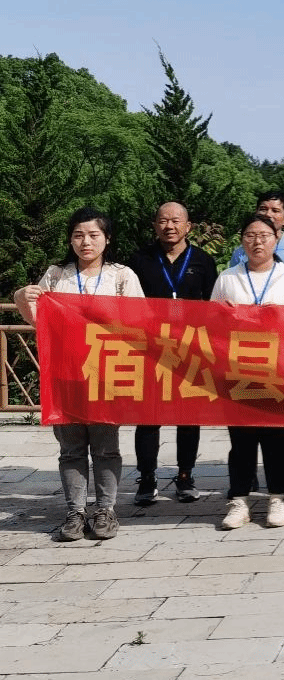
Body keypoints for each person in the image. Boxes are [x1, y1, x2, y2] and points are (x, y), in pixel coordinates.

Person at [14, 207, 143, 542]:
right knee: (71, 449)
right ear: (70, 240)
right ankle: (75, 512)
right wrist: (21, 298)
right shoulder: (57, 275)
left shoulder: (122, 277)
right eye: (78, 235)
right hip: (65, 373)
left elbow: (141, 322)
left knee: (105, 447)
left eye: (93, 235)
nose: (86, 242)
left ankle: (105, 510)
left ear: (107, 239)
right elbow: (36, 319)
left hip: (106, 374)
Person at [212, 214, 284, 530]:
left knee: (276, 438)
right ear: (242, 240)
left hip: (276, 369)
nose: (257, 241)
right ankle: (239, 501)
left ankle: (277, 498)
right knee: (241, 439)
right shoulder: (228, 278)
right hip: (238, 369)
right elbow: (210, 324)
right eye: (251, 235)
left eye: (264, 235)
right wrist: (223, 316)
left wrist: (281, 318)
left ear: (276, 239)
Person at [126, 201, 218, 504]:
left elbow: (213, 305)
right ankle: (147, 477)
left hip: (191, 347)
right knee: (148, 415)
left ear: (188, 226)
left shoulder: (203, 260)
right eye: (163, 220)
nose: (169, 226)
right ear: (155, 226)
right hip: (150, 348)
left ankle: (185, 476)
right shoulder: (139, 260)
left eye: (176, 221)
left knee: (188, 415)